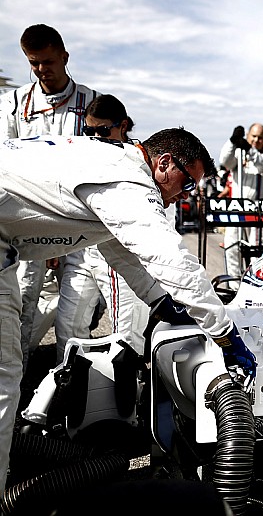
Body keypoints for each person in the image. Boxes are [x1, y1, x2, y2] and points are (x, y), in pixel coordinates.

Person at [0, 128, 257, 491]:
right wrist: (227, 336)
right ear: (164, 162)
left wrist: (158, 299)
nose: (180, 199)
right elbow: (174, 261)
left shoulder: (110, 160)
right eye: (185, 186)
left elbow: (113, 243)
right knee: (3, 378)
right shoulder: (129, 180)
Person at [0, 24, 99, 372]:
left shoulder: (91, 102)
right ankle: (16, 394)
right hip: (26, 229)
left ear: (64, 57)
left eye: (48, 62)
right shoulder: (13, 103)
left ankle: (69, 401)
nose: (42, 70)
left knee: (73, 324)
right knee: (19, 313)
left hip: (78, 230)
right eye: (34, 63)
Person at [54, 94, 150, 361]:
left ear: (123, 126)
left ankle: (130, 400)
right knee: (68, 329)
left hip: (124, 260)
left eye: (103, 130)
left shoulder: (140, 162)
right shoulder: (79, 156)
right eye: (89, 130)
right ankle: (74, 394)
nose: (95, 136)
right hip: (83, 252)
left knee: (128, 339)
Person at [219, 123, 263, 278]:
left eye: (260, 137)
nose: (256, 140)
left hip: (259, 214)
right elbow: (225, 160)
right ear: (247, 136)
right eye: (253, 136)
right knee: (232, 249)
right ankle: (233, 288)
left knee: (257, 253)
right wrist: (232, 142)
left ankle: (256, 286)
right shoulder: (238, 155)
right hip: (237, 211)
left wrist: (250, 151)